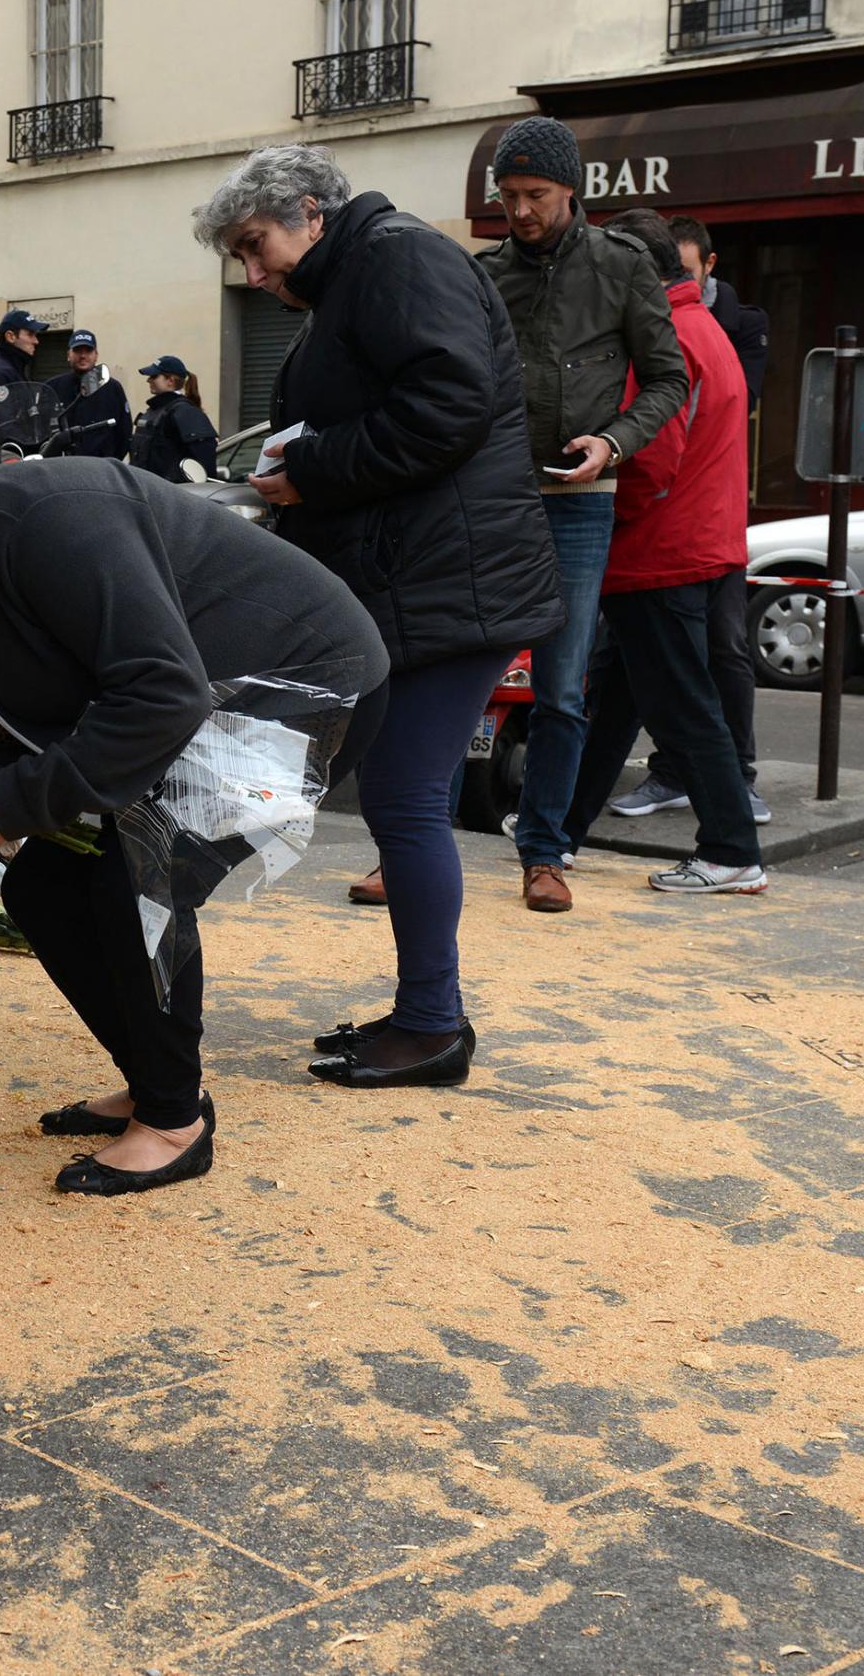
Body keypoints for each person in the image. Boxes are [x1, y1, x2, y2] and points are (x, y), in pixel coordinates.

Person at [0, 397, 391, 1193]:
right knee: (45, 886)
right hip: (191, 699)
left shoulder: (48, 523)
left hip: (304, 679)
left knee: (132, 871)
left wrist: (16, 801)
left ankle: (174, 1118)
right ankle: (155, 1079)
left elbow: (161, 693)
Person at [200, 144, 561, 1087]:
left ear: (311, 213)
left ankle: (435, 1025)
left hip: (448, 588)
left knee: (404, 799)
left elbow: (449, 406)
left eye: (256, 244)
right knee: (402, 800)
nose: (254, 270)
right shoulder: (364, 269)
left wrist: (309, 467)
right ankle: (423, 1013)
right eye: (240, 256)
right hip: (430, 582)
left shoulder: (397, 257)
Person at [480, 116, 688, 915]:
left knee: (563, 688)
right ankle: (411, 846)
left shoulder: (621, 266)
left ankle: (545, 852)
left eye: (535, 194)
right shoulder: (484, 275)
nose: (521, 210)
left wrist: (612, 441)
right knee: (458, 680)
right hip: (494, 500)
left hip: (578, 502)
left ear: (573, 190)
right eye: (509, 195)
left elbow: (671, 380)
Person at [555, 210, 765, 893]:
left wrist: (608, 511)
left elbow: (651, 457)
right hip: (699, 542)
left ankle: (732, 849)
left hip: (660, 549)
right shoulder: (702, 325)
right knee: (621, 697)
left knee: (680, 705)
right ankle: (560, 830)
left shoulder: (663, 335)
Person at [668, 217, 770, 408]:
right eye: (666, 272)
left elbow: (741, 402)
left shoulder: (746, 324)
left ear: (709, 264)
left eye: (685, 273)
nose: (674, 282)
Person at [130, 354, 218, 481]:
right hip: (147, 489)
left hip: (171, 493)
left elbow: (204, 460)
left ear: (170, 381)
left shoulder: (185, 412)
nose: (148, 380)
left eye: (154, 376)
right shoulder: (155, 410)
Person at [45, 329, 132, 458]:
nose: (83, 356)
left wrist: (110, 463)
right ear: (68, 354)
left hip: (100, 468)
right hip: (62, 467)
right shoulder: (53, 387)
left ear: (96, 355)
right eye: (78, 350)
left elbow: (124, 432)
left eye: (88, 351)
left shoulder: (112, 388)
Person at [0, 308, 54, 455]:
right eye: (30, 334)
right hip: (11, 457)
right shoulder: (0, 372)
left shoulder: (17, 369)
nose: (36, 341)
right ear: (11, 336)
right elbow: (4, 427)